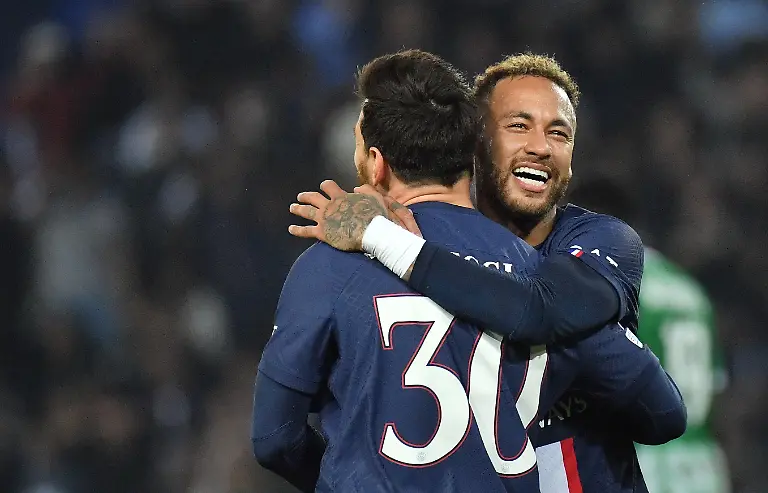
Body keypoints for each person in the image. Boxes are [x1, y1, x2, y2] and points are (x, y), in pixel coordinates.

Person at [289, 53, 684, 492]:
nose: (541, 146)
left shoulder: (602, 239)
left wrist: (379, 238)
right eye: (518, 125)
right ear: (474, 142)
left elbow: (540, 312)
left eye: (559, 133)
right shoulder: (428, 241)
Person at [252, 49, 546, 493]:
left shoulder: (330, 265)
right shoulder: (535, 269)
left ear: (377, 163)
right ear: (470, 158)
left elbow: (274, 437)